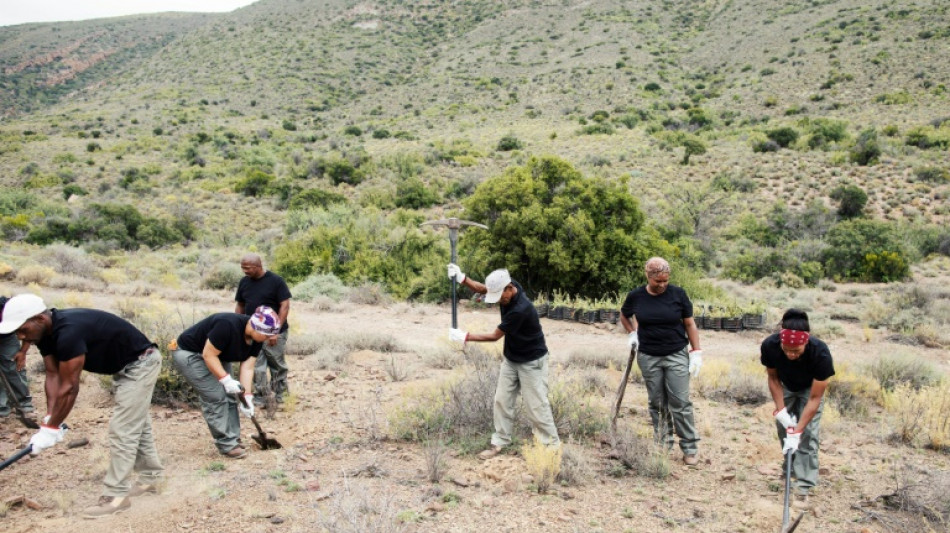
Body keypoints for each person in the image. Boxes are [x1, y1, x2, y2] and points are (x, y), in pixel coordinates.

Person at [0, 294, 164, 519]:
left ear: (38, 318)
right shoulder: (45, 334)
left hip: (141, 364)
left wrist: (52, 429)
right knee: (137, 424)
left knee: (123, 428)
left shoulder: (69, 333)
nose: (20, 336)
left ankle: (116, 496)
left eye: (22, 330)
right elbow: (53, 374)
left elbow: (70, 387)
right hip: (125, 367)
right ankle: (151, 478)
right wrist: (50, 418)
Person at [446, 264, 560, 459]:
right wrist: (462, 278)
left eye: (500, 296)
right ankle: (500, 442)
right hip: (512, 358)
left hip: (532, 362)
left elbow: (494, 337)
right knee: (502, 400)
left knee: (536, 405)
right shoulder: (509, 287)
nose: (498, 300)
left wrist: (465, 336)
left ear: (508, 289)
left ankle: (551, 448)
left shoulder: (520, 309)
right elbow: (485, 289)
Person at [619, 257, 703, 466]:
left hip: (675, 353)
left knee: (680, 402)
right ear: (648, 276)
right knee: (657, 402)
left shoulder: (678, 295)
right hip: (648, 356)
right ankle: (663, 444)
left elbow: (690, 324)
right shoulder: (636, 296)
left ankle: (690, 447)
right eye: (658, 281)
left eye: (666, 280)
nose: (663, 285)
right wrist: (632, 333)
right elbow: (624, 314)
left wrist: (696, 351)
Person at [171, 306, 280, 459]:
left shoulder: (256, 339)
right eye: (267, 335)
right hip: (191, 354)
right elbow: (208, 355)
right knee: (216, 396)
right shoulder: (227, 325)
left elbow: (248, 367)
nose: (269, 339)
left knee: (231, 395)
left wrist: (247, 396)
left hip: (218, 356)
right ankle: (226, 444)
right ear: (256, 327)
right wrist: (226, 379)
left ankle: (233, 439)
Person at [761, 308, 835, 508]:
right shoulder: (770, 346)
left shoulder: (820, 353)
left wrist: (799, 429)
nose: (790, 354)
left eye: (796, 350)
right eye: (786, 349)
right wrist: (781, 412)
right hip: (786, 386)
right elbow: (773, 378)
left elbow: (815, 397)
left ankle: (803, 486)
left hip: (809, 390)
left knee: (807, 435)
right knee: (784, 430)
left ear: (806, 341)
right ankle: (790, 469)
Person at [235, 253, 292, 405]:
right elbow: (240, 305)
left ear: (258, 266)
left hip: (273, 333)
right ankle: (261, 397)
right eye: (243, 268)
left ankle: (282, 396)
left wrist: (275, 331)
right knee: (256, 366)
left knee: (277, 364)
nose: (245, 271)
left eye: (247, 268)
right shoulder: (244, 282)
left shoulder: (276, 281)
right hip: (253, 332)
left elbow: (284, 306)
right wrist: (238, 326)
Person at [0, 295, 35, 420]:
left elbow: (29, 333)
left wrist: (23, 352)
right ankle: (2, 407)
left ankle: (24, 404)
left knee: (13, 367)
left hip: (7, 338)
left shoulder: (16, 312)